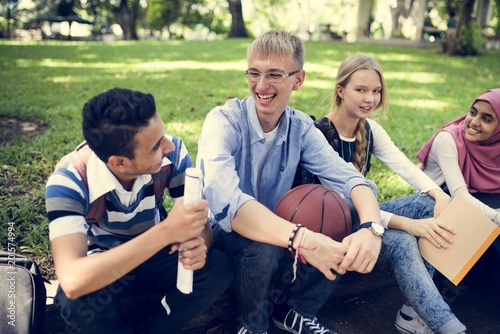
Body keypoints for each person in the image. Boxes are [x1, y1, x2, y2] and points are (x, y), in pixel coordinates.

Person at [196, 29, 383, 334]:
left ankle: (295, 311)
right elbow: (228, 202)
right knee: (263, 245)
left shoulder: (301, 127)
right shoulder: (223, 121)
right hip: (227, 237)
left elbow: (350, 179)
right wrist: (302, 238)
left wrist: (371, 229)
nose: (261, 85)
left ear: (298, 79)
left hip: (283, 234)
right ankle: (252, 325)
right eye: (253, 73)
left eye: (274, 75)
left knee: (339, 214)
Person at [295, 53, 466, 334]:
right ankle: (446, 324)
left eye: (376, 91)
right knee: (401, 240)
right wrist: (405, 223)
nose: (370, 98)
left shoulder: (370, 129)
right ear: (340, 90)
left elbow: (404, 166)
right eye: (360, 90)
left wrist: (438, 194)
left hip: (367, 219)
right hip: (333, 226)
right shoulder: (319, 134)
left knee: (426, 204)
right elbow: (346, 207)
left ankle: (413, 310)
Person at [44, 88, 232, 333]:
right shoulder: (68, 182)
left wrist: (198, 245)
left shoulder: (172, 153)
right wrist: (165, 232)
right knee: (75, 300)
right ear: (119, 162)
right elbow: (71, 279)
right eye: (155, 146)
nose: (168, 146)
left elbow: (201, 229)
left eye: (163, 135)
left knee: (217, 266)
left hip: (160, 258)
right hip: (107, 263)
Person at [417, 88, 500, 295]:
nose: (473, 122)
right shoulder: (448, 139)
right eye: (473, 112)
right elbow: (459, 195)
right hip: (438, 202)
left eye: (487, 118)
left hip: (476, 201)